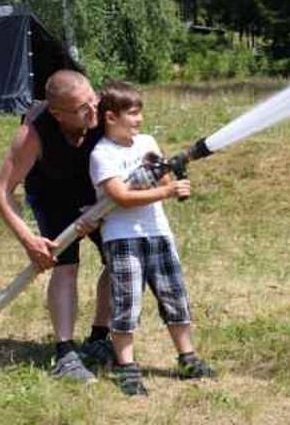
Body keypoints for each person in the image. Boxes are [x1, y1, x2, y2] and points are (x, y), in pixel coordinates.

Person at [89, 80, 215, 396]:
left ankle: (188, 358)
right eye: (132, 114)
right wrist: (166, 191)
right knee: (127, 304)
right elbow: (119, 197)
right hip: (122, 238)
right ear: (110, 117)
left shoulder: (147, 141)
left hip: (158, 233)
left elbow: (165, 177)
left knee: (175, 297)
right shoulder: (102, 154)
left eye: (140, 113)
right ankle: (127, 367)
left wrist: (172, 175)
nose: (139, 120)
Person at [0, 69, 113, 383]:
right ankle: (65, 354)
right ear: (58, 114)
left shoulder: (105, 110)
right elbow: (1, 190)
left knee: (120, 261)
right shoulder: (34, 133)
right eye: (81, 109)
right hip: (52, 194)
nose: (93, 110)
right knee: (65, 266)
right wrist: (28, 240)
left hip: (97, 193)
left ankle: (99, 340)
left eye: (93, 99)